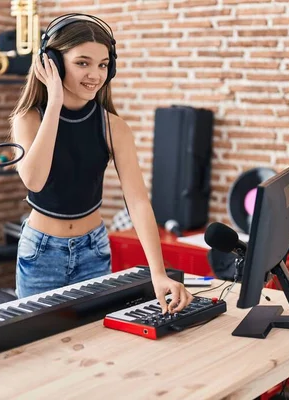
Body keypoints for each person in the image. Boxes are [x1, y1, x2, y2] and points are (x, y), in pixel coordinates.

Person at [10, 14, 192, 314]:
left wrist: (158, 273)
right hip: (40, 253)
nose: (95, 74)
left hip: (93, 250)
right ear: (52, 63)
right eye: (82, 62)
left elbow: (138, 202)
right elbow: (34, 181)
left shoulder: (114, 127)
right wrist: (53, 101)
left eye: (103, 64)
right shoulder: (29, 118)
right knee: (41, 354)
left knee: (95, 347)